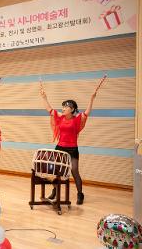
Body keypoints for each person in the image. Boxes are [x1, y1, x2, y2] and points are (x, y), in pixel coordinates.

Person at [39, 77, 104, 205]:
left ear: (73, 109)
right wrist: (44, 97)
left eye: (66, 106)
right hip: (60, 147)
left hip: (72, 148)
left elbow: (87, 112)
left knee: (74, 170)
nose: (63, 108)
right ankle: (55, 191)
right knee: (56, 170)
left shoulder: (77, 119)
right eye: (63, 106)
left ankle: (80, 194)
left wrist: (92, 99)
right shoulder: (60, 118)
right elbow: (50, 110)